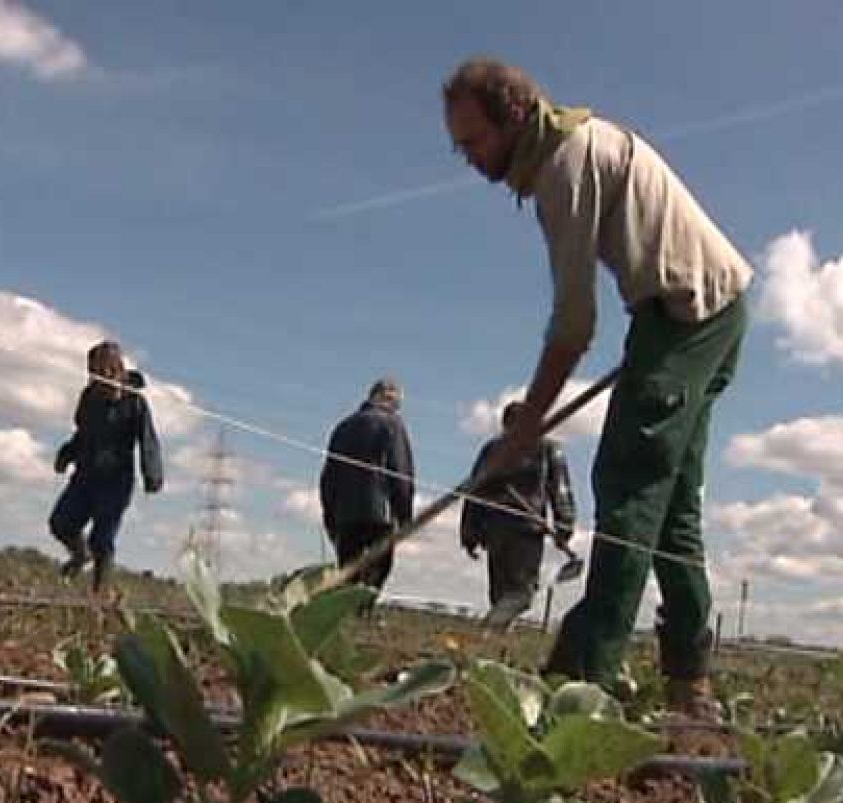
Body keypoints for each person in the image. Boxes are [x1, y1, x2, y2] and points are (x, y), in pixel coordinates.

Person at [442, 57, 751, 718]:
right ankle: (689, 683)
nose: (467, 157)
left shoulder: (564, 165)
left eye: (473, 141)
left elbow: (573, 322)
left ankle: (580, 681)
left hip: (685, 318)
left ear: (516, 116)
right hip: (700, 313)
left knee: (627, 488)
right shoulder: (573, 150)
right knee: (670, 513)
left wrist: (528, 425)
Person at [50, 341, 163, 596]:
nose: (104, 377)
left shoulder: (135, 403)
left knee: (102, 539)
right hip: (85, 476)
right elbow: (82, 433)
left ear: (120, 370)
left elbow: (148, 440)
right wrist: (67, 454)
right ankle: (80, 556)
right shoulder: (88, 399)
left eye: (109, 370)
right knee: (61, 523)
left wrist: (152, 472)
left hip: (116, 481)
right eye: (97, 371)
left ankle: (98, 596)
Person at [460, 400, 576, 630]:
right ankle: (491, 630)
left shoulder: (494, 449)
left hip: (497, 529)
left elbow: (474, 494)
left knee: (502, 592)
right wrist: (565, 524)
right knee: (521, 592)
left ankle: (495, 639)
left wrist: (470, 533)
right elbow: (560, 490)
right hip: (525, 529)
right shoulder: (545, 447)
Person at [318, 377, 414, 610]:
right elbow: (400, 471)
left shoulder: (343, 427)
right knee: (376, 572)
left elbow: (328, 476)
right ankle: (363, 615)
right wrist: (405, 516)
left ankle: (347, 621)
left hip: (345, 516)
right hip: (379, 513)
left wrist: (330, 514)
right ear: (388, 398)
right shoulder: (392, 424)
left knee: (349, 572)